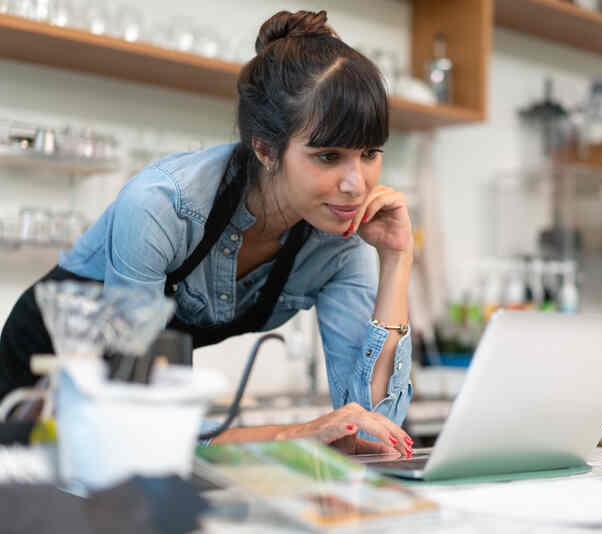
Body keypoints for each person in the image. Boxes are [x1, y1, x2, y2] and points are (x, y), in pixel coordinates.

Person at [0, 10, 415, 458]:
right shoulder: (162, 206)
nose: (357, 184)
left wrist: (396, 259)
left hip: (139, 406)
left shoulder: (340, 235)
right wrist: (291, 434)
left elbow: (376, 432)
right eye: (329, 156)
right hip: (45, 382)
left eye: (370, 153)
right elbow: (137, 414)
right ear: (265, 149)